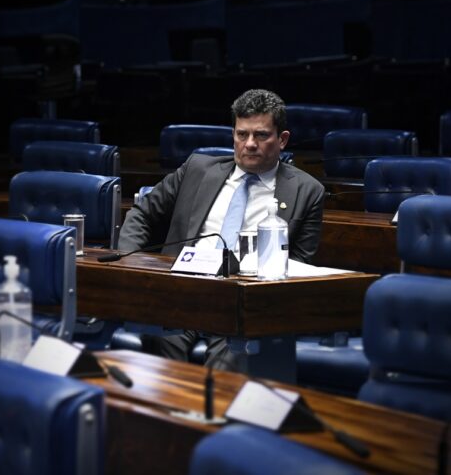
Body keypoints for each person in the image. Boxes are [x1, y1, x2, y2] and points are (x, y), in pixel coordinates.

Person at [118, 89, 325, 370]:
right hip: (181, 292)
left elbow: (298, 264)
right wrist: (131, 264)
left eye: (261, 135)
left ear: (283, 139)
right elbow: (142, 213)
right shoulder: (197, 169)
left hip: (240, 304)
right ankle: (172, 411)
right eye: (242, 134)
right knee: (158, 341)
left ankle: (211, 413)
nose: (249, 144)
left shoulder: (306, 191)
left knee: (233, 355)